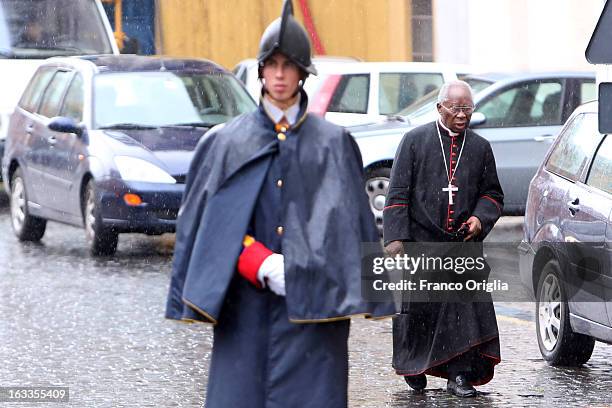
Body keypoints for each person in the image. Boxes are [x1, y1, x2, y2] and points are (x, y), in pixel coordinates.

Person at [165, 1, 394, 407]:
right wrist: (258, 261)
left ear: (303, 72)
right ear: (260, 70)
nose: (280, 74)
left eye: (289, 65)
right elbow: (207, 226)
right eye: (272, 65)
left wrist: (317, 266)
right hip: (246, 310)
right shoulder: (225, 143)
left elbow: (351, 228)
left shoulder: (333, 143)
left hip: (316, 311)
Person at [383, 80, 504, 398]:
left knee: (463, 313)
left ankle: (459, 374)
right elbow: (397, 193)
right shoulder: (414, 141)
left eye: (468, 108)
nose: (462, 115)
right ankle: (415, 368)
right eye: (456, 108)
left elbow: (492, 193)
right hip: (421, 241)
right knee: (421, 312)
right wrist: (396, 239)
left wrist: (479, 218)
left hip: (462, 244)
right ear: (440, 107)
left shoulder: (479, 147)